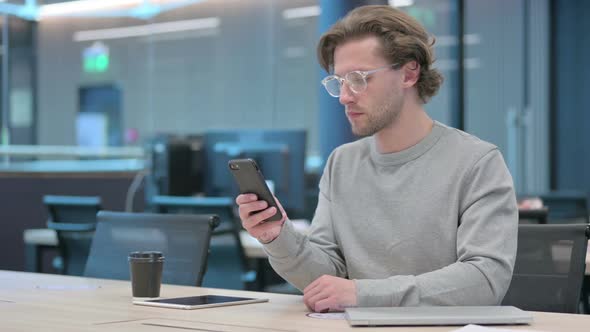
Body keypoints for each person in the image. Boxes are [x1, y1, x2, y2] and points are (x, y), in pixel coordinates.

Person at [236, 5, 517, 313]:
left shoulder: (477, 162)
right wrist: (278, 236)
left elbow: (486, 280)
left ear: (409, 73)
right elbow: (325, 281)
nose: (344, 96)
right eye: (339, 81)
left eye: (358, 78)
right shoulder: (342, 163)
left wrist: (361, 294)